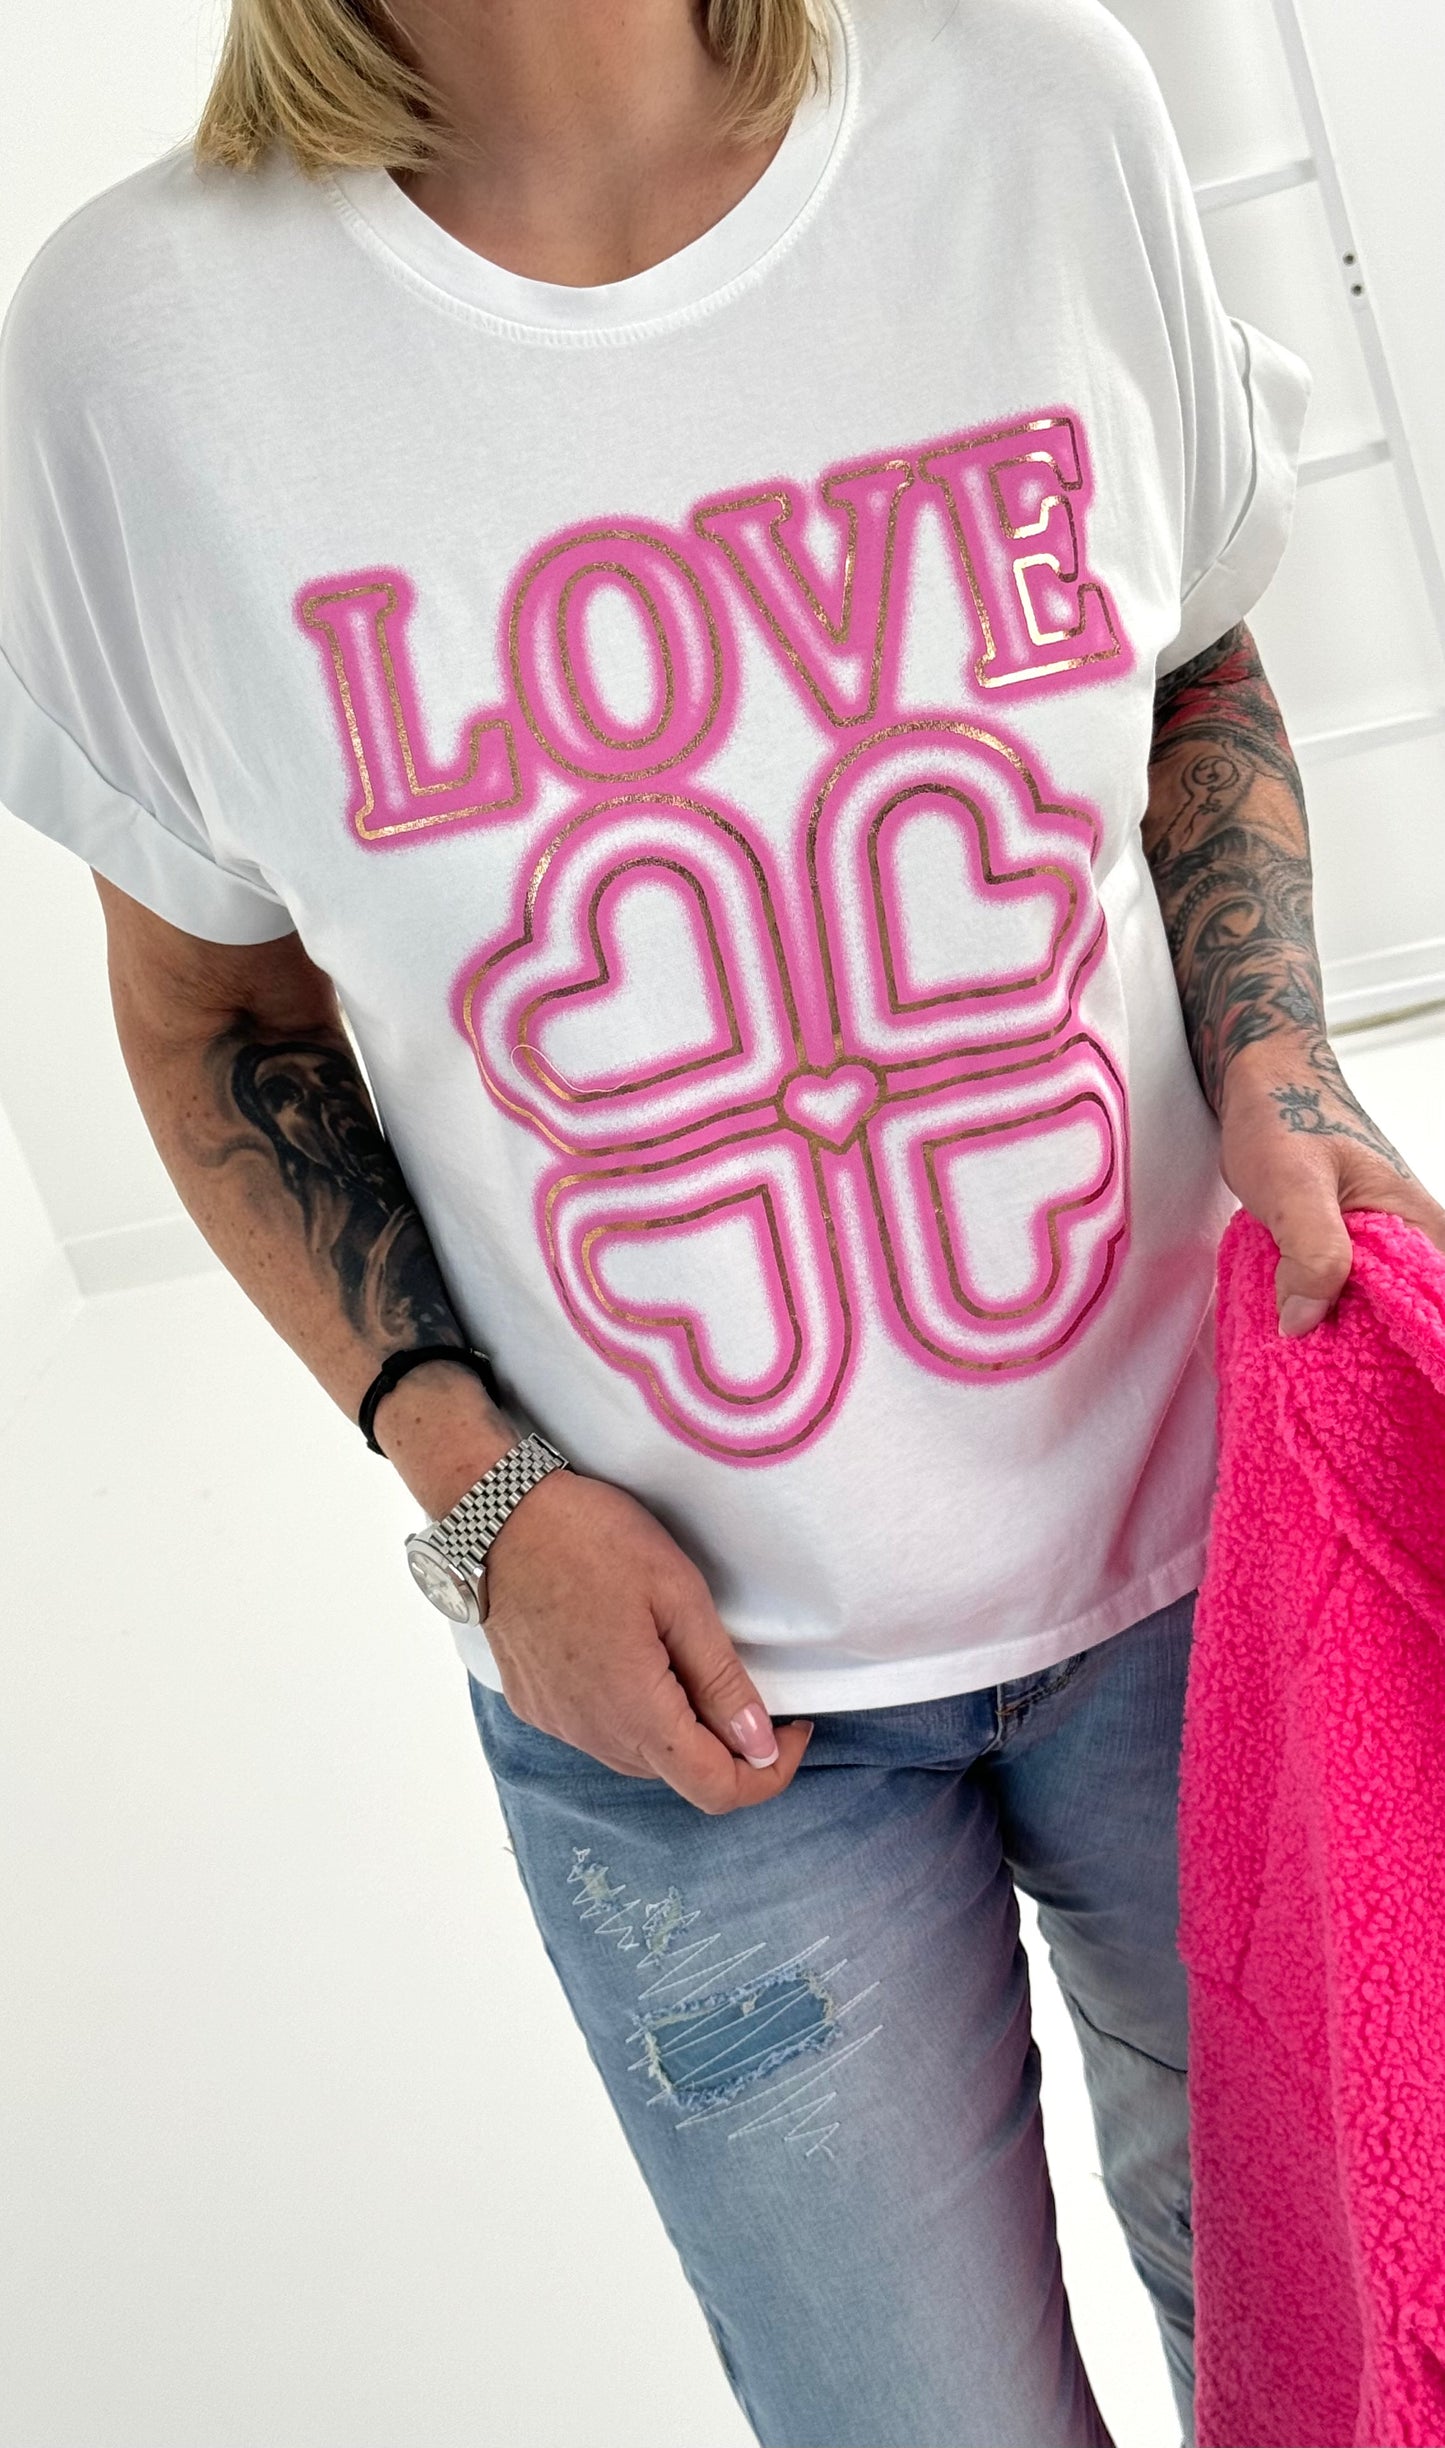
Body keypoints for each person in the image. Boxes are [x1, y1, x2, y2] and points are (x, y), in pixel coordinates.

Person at [2, 1, 1441, 2440]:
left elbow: (1192, 656)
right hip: (693, 1724)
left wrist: (1281, 1061)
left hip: (1214, 1582)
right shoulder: (141, 351)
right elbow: (213, 1014)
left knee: (1351, 2365)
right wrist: (479, 1497)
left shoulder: (1040, 115)